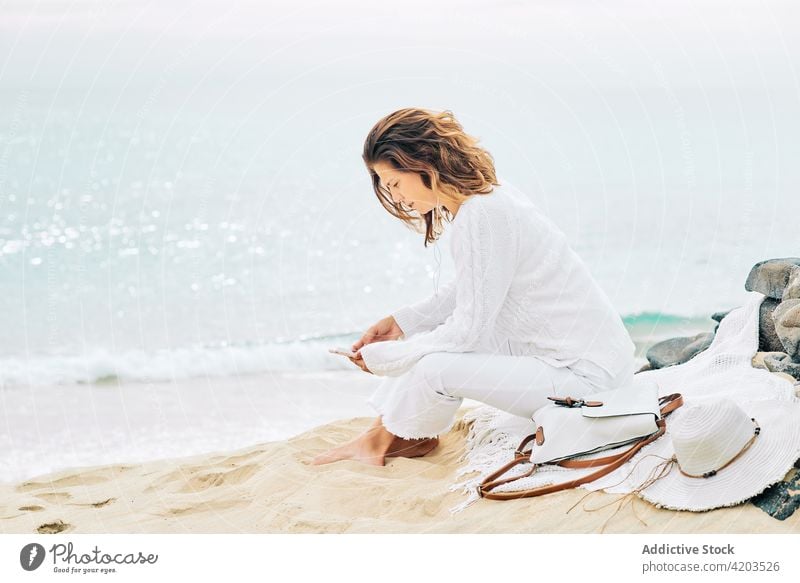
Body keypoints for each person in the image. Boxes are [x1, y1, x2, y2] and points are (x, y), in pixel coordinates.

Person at [311, 107, 636, 466]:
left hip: (588, 382)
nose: (397, 198)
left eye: (394, 184)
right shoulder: (489, 198)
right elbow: (472, 289)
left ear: (422, 165)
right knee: (435, 341)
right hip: (594, 362)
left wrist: (387, 357)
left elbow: (467, 332)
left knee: (433, 364)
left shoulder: (481, 216)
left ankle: (393, 440)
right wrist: (402, 323)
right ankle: (388, 436)